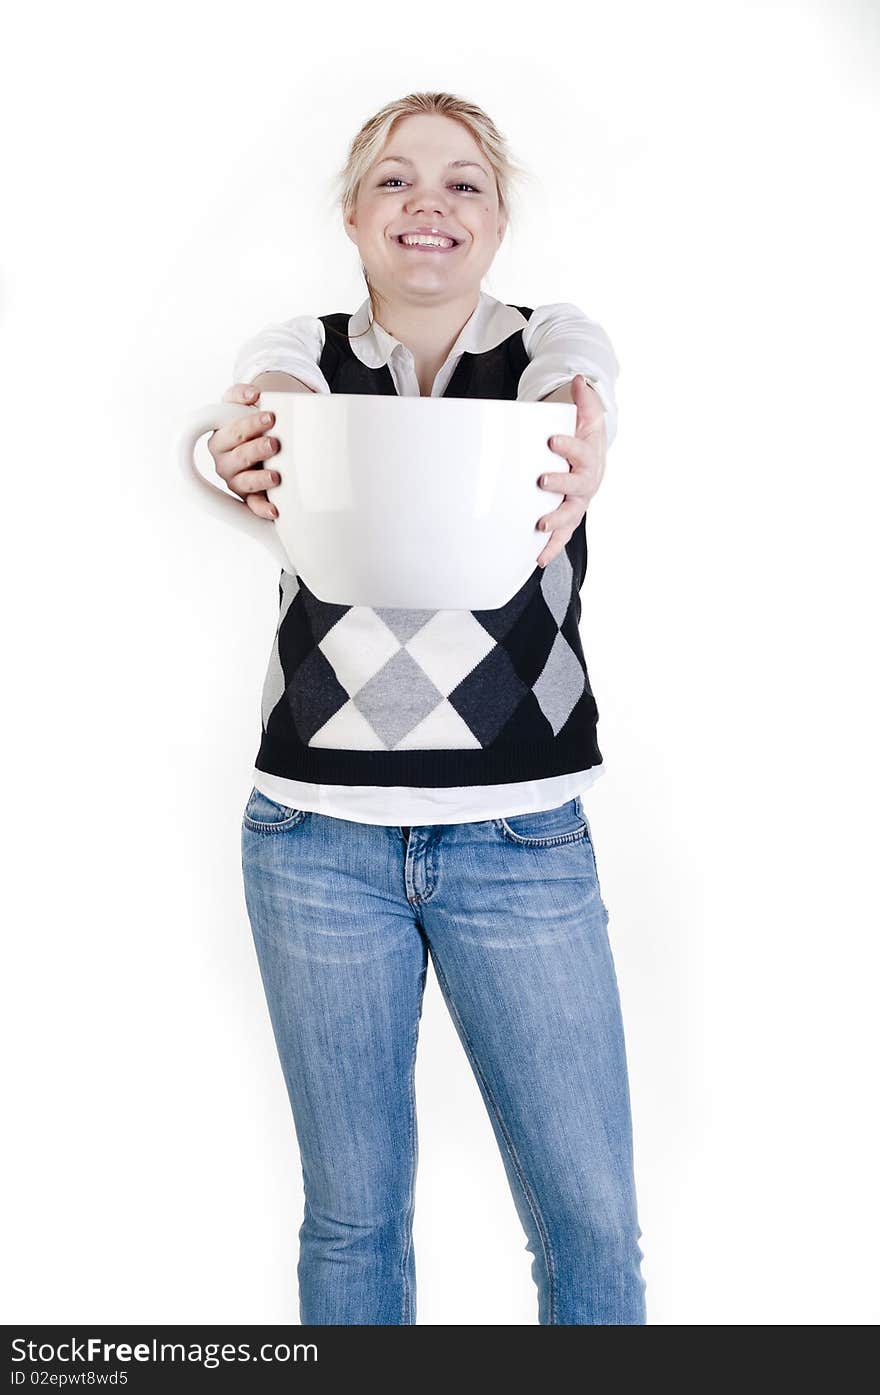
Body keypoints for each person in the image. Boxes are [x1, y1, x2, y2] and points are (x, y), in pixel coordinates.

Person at [207, 90, 646, 1325]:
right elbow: (258, 395)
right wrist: (230, 440)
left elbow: (581, 372)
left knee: (589, 1220)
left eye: (463, 182)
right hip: (312, 842)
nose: (429, 204)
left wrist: (583, 424)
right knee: (352, 1223)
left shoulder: (549, 353)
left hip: (523, 839)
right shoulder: (304, 356)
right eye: (396, 180)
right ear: (354, 214)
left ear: (499, 216)